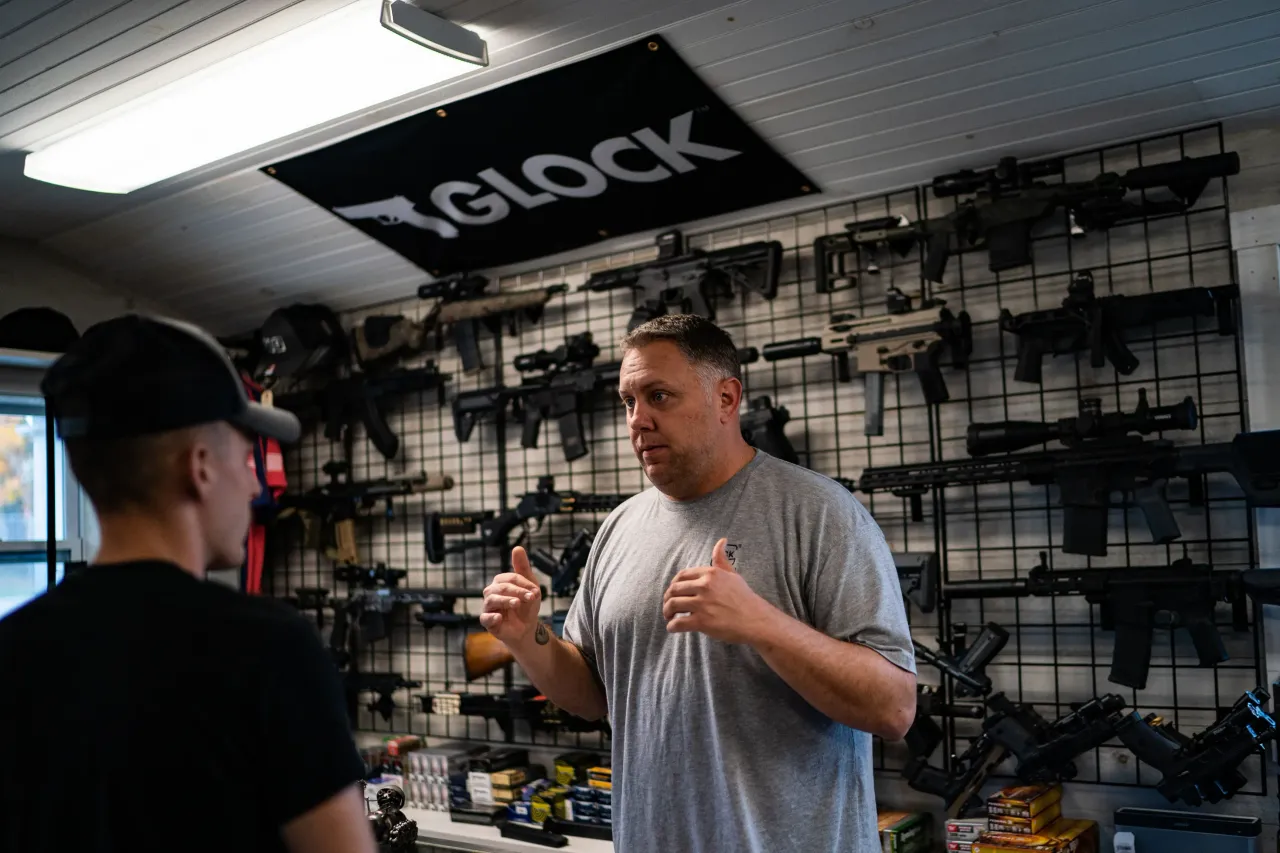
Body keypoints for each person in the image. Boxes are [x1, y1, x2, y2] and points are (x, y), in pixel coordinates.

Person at [481, 313, 919, 852]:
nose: (637, 420)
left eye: (659, 396)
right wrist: (530, 638)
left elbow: (894, 710)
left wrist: (762, 625)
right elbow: (593, 695)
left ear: (727, 399)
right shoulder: (618, 529)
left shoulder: (822, 514)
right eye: (628, 401)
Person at [0, 315, 378, 853]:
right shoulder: (269, 650)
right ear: (200, 468)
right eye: (247, 459)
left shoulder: (12, 652)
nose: (254, 484)